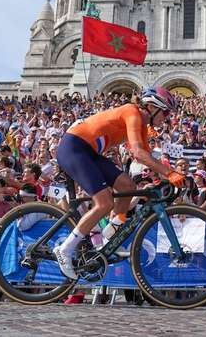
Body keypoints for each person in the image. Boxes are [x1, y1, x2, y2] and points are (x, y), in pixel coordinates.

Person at [52, 87, 184, 279]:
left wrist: (169, 178)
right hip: (74, 147)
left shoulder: (142, 126)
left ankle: (108, 237)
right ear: (151, 106)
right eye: (165, 112)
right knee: (104, 203)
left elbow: (143, 158)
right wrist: (170, 173)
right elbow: (139, 153)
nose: (167, 117)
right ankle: (64, 250)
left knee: (128, 186)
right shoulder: (132, 112)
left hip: (89, 152)